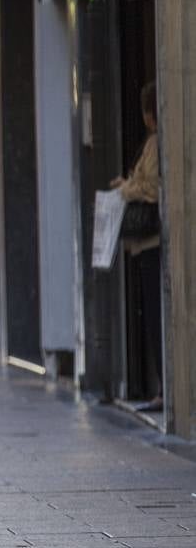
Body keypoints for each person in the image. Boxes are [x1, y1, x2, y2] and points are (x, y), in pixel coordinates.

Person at [112, 81, 162, 411]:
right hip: (144, 244)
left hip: (152, 240)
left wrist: (125, 188)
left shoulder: (157, 143)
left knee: (156, 315)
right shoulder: (153, 142)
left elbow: (152, 188)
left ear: (148, 114)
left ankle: (162, 389)